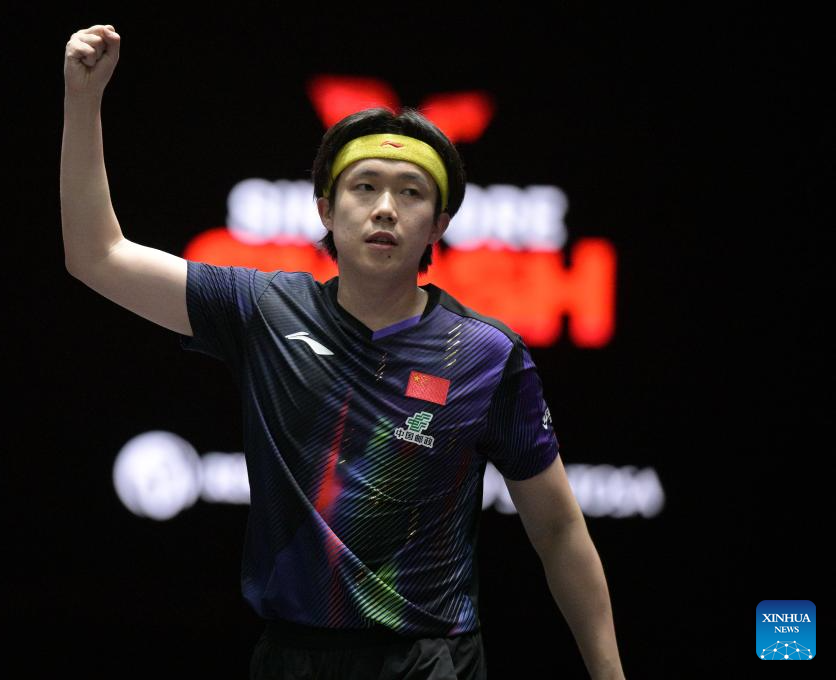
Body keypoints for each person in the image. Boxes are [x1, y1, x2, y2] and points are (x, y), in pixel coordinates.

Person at [61, 24, 625, 680]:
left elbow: (558, 530)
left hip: (430, 660)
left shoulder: (485, 355)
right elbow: (97, 256)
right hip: (291, 658)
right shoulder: (265, 311)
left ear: (439, 225)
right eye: (364, 187)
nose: (385, 209)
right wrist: (83, 99)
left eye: (411, 192)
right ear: (327, 210)